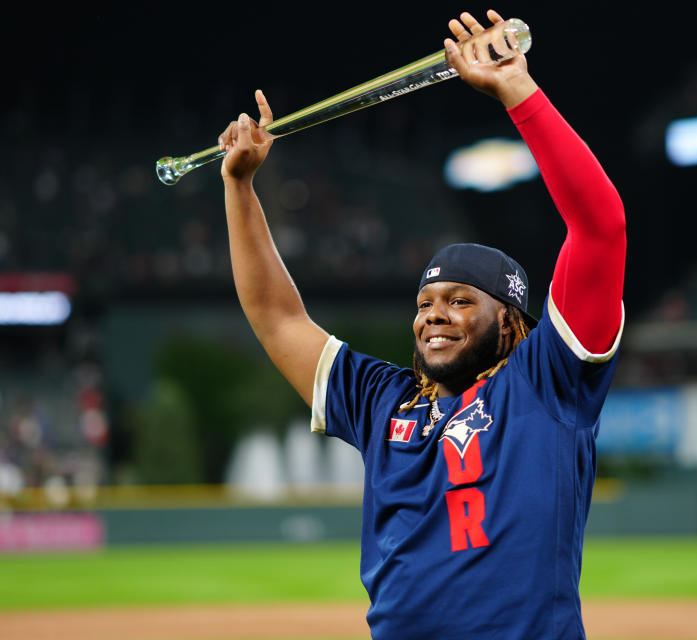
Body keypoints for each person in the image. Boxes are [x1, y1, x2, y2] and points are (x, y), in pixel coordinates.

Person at [218, 9, 626, 639]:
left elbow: (600, 229)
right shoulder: (382, 400)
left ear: (512, 321)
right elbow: (276, 317)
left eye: (462, 300)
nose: (434, 313)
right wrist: (239, 187)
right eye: (425, 302)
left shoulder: (549, 380)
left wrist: (518, 90)